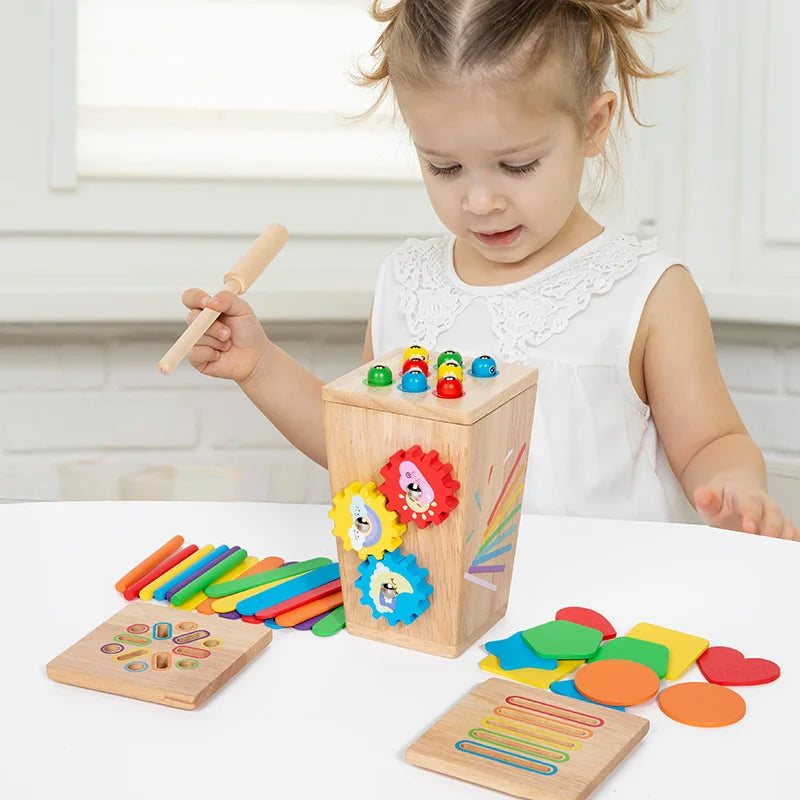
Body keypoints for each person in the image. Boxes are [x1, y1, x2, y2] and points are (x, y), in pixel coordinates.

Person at [180, 0, 798, 540]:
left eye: (517, 165)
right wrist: (259, 367)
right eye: (444, 168)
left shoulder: (648, 293)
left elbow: (712, 443)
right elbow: (359, 446)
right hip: (439, 615)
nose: (479, 201)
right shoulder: (407, 285)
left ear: (594, 125)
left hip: (605, 625)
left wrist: (734, 492)